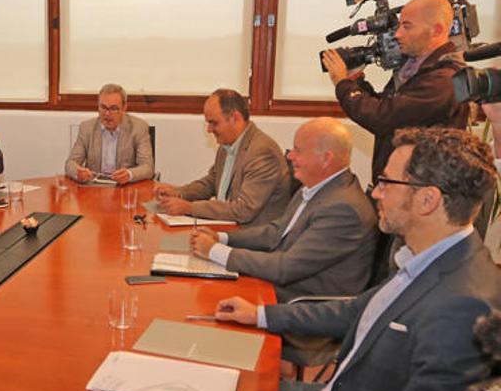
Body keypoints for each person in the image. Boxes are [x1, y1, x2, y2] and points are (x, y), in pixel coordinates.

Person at [214, 127, 500, 391]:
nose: (376, 192)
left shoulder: (462, 303)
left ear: (428, 200)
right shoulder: (433, 257)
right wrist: (261, 315)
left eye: (386, 183)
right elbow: (355, 311)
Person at [190, 117, 376, 303]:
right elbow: (277, 232)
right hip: (277, 289)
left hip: (300, 304)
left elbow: (286, 268)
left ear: (326, 158)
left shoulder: (343, 209)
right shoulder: (314, 188)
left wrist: (215, 251)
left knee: (205, 299)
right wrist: (223, 238)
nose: (289, 156)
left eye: (298, 150)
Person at [322, 0, 468, 182]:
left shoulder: (444, 79)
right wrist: (355, 80)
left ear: (436, 31)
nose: (397, 34)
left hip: (419, 190)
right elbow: (386, 106)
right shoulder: (413, 69)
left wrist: (343, 84)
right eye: (399, 26)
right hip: (400, 186)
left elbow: (383, 118)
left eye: (407, 26)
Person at [155, 89, 290, 226]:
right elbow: (212, 182)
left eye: (214, 123)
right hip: (227, 224)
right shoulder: (227, 144)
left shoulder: (262, 152)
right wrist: (179, 193)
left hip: (251, 233)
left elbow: (244, 210)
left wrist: (190, 208)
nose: (209, 129)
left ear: (235, 118)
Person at [64, 83, 153, 184]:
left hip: (125, 187)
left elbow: (147, 167)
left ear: (124, 108)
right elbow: (70, 163)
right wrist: (78, 172)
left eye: (113, 108)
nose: (107, 114)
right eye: (103, 107)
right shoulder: (87, 128)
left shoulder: (138, 128)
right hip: (95, 186)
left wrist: (129, 174)